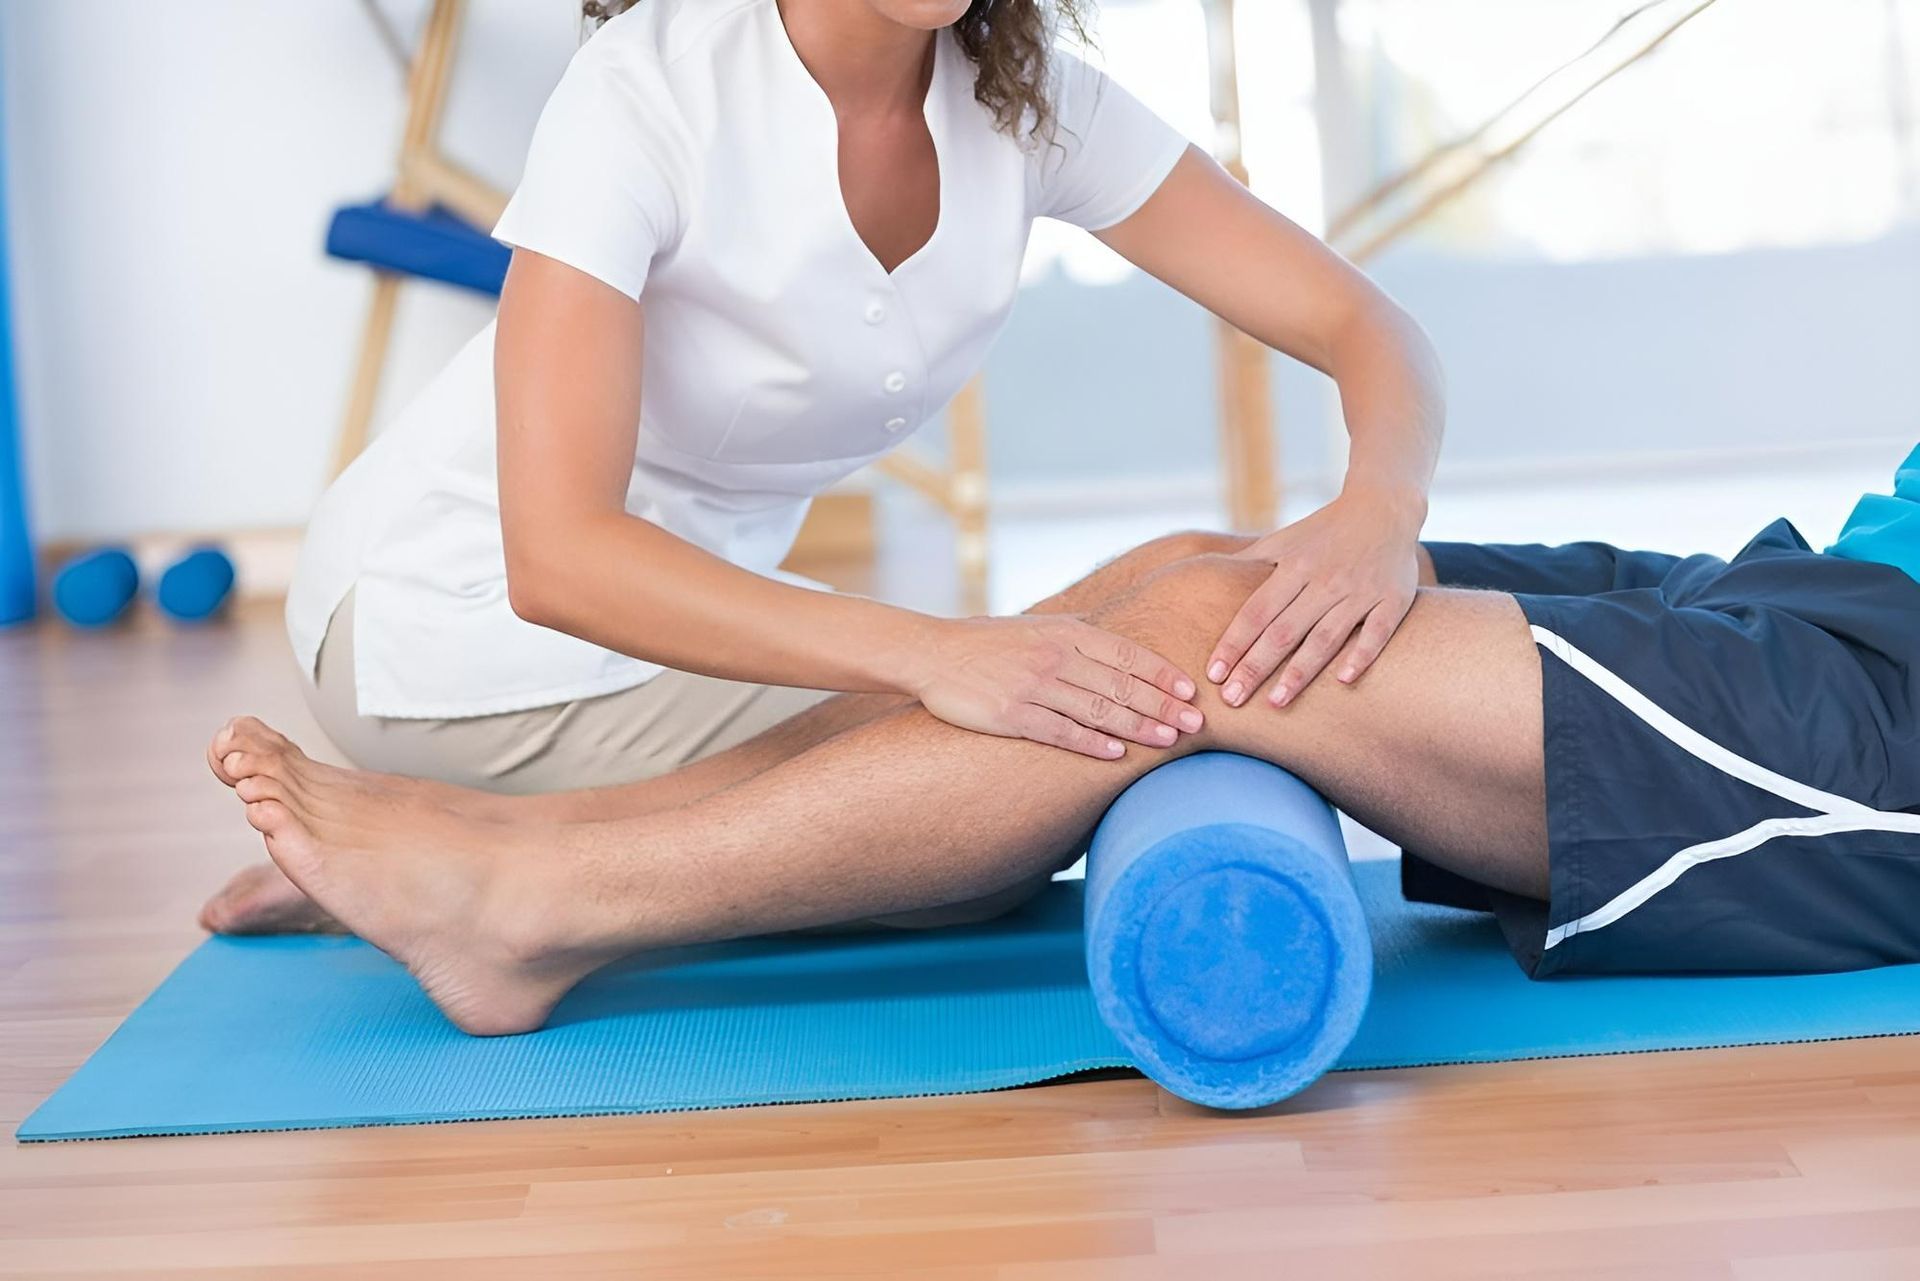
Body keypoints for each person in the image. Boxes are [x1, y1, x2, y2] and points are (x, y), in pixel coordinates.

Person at [207, 0, 1449, 931]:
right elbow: (557, 559)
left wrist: (1380, 509)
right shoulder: (644, 93)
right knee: (996, 804)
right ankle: (476, 876)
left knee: (1194, 581)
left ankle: (443, 851)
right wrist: (932, 651)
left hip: (691, 634)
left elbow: (1366, 326)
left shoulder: (1025, 100)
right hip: (445, 623)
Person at [205, 443, 1920, 1036]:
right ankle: (510, 848)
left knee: (1201, 653)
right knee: (1191, 570)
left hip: (1889, 726)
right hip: (1836, 580)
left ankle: (533, 911)